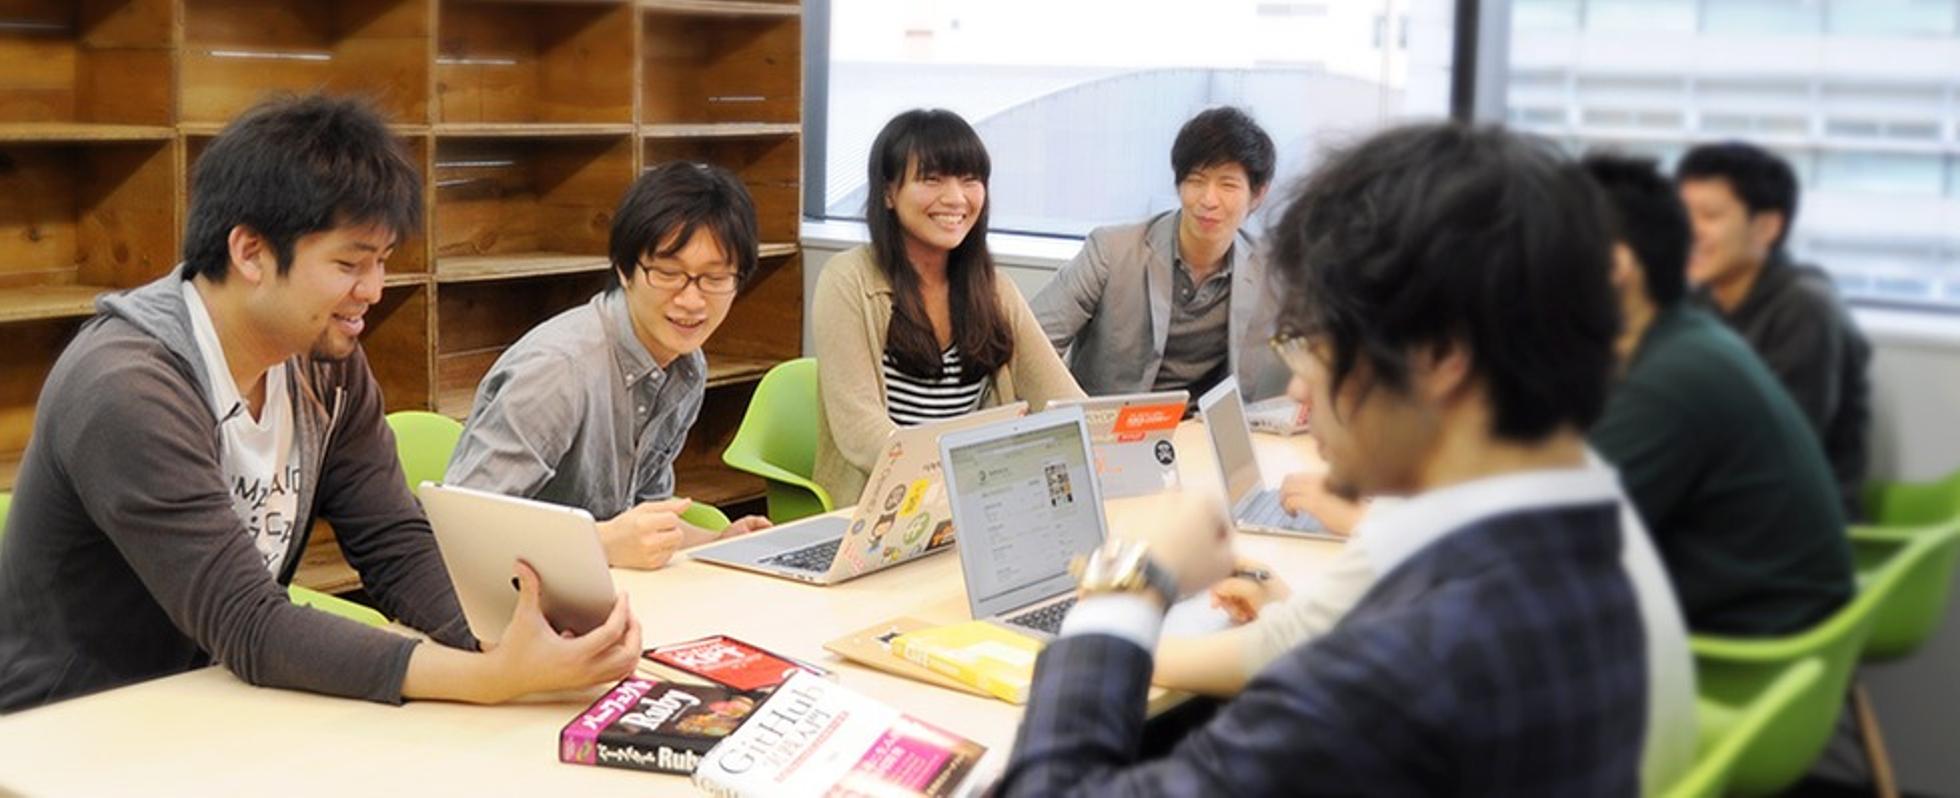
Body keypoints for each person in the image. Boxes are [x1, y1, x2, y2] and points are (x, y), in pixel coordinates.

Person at [998, 123, 1695, 796]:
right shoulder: (1589, 530)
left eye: (1316, 348)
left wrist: (1128, 585)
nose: (1300, 390)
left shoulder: (1420, 656)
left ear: (1439, 358)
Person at [0, 95, 640, 713]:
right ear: (250, 252)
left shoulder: (322, 361)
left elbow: (392, 541)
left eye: (382, 261)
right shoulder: (128, 387)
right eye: (349, 264)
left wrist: (504, 638)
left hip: (216, 701)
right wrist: (488, 678)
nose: (374, 289)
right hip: (72, 723)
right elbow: (248, 623)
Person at [445, 162, 772, 569]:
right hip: (513, 593)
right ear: (624, 268)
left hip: (605, 587)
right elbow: (462, 529)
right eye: (668, 273)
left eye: (715, 278)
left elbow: (640, 517)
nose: (691, 301)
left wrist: (719, 542)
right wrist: (601, 544)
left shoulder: (686, 367)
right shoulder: (559, 371)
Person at [1586, 153, 1853, 635]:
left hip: (1750, 631)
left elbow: (1568, 530)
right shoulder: (1689, 325)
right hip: (1766, 596)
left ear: (1616, 265)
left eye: (1710, 215)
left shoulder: (1679, 370)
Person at [811, 109, 1082, 505]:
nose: (956, 198)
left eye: (970, 179)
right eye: (931, 179)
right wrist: (959, 474)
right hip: (884, 506)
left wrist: (1119, 436)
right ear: (888, 192)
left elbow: (1063, 400)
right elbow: (860, 430)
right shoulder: (848, 280)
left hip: (974, 499)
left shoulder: (994, 291)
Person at [1031, 107, 1286, 401]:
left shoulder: (1269, 269)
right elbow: (1032, 346)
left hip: (1198, 425)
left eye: (1228, 185)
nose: (1208, 200)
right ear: (1179, 184)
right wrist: (1069, 413)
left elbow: (1315, 342)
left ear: (1258, 194)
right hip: (1111, 422)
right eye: (1196, 180)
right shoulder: (1111, 251)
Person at [1676, 141, 1871, 518]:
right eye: (1682, 214)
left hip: (1792, 519)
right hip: (1719, 503)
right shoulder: (1695, 302)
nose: (1689, 232)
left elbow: (1780, 446)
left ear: (1766, 227)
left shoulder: (1805, 307)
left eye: (1709, 216)